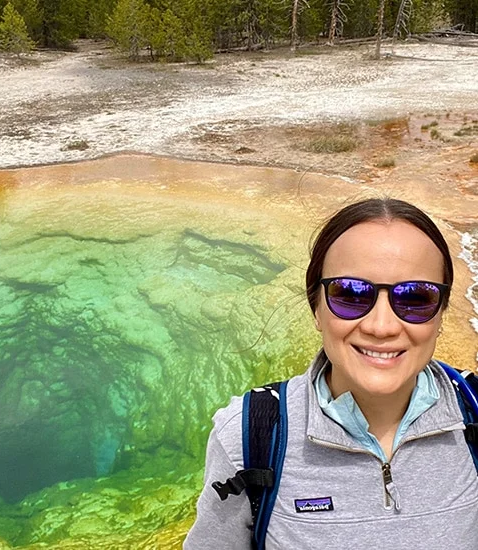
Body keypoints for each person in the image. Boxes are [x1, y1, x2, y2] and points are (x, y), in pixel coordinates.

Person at [183, 198, 478, 548]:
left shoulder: (472, 411)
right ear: (317, 308)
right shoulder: (249, 436)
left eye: (415, 297)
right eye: (350, 294)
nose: (381, 326)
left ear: (441, 314)